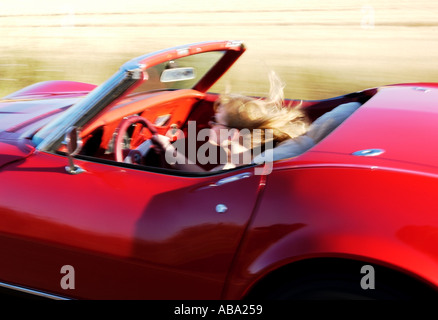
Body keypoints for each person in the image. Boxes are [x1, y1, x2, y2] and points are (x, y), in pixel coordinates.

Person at [151, 71, 309, 172]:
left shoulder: (234, 171)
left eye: (215, 121)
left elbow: (202, 184)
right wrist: (168, 151)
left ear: (231, 135)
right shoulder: (237, 164)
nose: (209, 125)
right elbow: (202, 177)